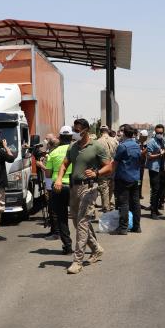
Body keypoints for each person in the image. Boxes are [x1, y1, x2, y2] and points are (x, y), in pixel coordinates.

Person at [54, 118, 111, 275]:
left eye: (78, 130)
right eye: (74, 130)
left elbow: (109, 166)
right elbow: (65, 164)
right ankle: (96, 249)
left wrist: (97, 172)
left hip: (89, 188)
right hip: (74, 188)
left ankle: (77, 261)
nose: (75, 133)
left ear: (86, 130)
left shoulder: (97, 146)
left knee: (82, 223)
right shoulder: (72, 147)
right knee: (76, 220)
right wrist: (59, 178)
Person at [107, 124, 142, 235]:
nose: (120, 134)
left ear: (125, 134)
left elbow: (115, 163)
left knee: (123, 203)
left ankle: (123, 228)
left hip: (123, 178)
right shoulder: (137, 146)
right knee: (135, 203)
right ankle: (137, 227)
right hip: (135, 178)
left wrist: (111, 176)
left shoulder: (122, 146)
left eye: (122, 132)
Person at [45, 126, 73, 253]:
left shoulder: (53, 152)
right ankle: (85, 245)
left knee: (62, 218)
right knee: (80, 218)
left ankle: (67, 246)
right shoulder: (76, 150)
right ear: (71, 137)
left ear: (60, 137)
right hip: (75, 186)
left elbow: (48, 175)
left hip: (58, 187)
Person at [146, 124, 165, 219]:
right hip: (154, 169)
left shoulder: (162, 140)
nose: (160, 134)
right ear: (155, 132)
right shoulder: (151, 142)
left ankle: (156, 209)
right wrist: (159, 154)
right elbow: (149, 156)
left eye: (161, 133)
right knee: (155, 190)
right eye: (158, 133)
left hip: (162, 168)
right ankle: (153, 212)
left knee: (160, 191)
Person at [96, 125, 118, 213]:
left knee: (103, 188)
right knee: (111, 186)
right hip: (113, 167)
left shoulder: (97, 142)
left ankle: (106, 208)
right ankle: (109, 204)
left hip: (102, 168)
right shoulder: (115, 141)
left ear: (100, 131)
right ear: (108, 131)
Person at [138, 129, 148, 200]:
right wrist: (146, 149)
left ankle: (139, 193)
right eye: (144, 137)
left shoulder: (144, 144)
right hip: (137, 165)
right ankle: (136, 194)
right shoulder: (136, 143)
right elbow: (140, 153)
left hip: (142, 165)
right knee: (137, 180)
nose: (145, 139)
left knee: (140, 180)